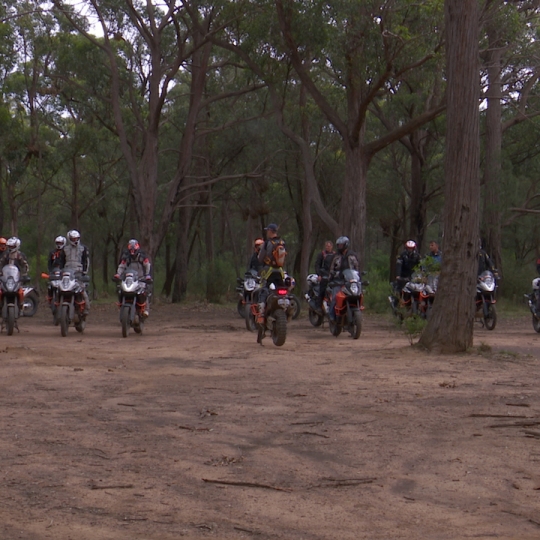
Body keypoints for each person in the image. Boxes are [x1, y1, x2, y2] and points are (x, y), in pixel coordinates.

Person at [256, 223, 287, 336]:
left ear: (270, 231)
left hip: (268, 271)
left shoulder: (267, 243)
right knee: (282, 291)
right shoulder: (282, 242)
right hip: (280, 272)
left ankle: (261, 313)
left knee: (263, 289)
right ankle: (285, 308)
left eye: (267, 230)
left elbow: (260, 258)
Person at [115, 239, 152, 317]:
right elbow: (122, 266)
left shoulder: (142, 257)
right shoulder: (126, 257)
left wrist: (147, 275)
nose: (132, 251)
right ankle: (121, 305)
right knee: (121, 290)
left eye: (133, 249)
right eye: (131, 249)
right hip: (129, 278)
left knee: (144, 291)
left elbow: (147, 265)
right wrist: (118, 274)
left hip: (140, 279)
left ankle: (146, 309)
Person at [328, 236, 359, 320]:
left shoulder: (352, 255)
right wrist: (330, 278)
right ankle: (332, 315)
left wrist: (359, 278)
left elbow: (357, 267)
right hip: (338, 280)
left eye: (341, 245)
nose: (339, 247)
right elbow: (331, 268)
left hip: (350, 280)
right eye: (338, 245)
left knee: (357, 294)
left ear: (346, 245)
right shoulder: (335, 256)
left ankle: (356, 311)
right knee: (335, 297)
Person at [64, 230, 91, 315]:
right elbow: (61, 261)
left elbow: (86, 261)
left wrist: (84, 272)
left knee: (82, 290)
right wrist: (60, 271)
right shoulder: (65, 249)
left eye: (76, 238)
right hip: (67, 273)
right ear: (69, 239)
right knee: (60, 288)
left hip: (78, 273)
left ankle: (86, 308)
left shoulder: (83, 248)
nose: (75, 240)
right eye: (73, 239)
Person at [313, 240, 335, 312]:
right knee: (322, 290)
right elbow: (317, 265)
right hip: (324, 275)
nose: (327, 247)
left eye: (329, 246)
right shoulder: (322, 254)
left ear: (332, 247)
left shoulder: (335, 255)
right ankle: (318, 306)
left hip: (333, 275)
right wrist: (319, 274)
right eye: (326, 246)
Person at [47, 236, 67, 306]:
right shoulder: (52, 252)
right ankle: (50, 298)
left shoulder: (65, 252)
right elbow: (49, 263)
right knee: (50, 285)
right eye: (57, 243)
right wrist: (50, 271)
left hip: (63, 271)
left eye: (60, 243)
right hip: (54, 271)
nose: (59, 244)